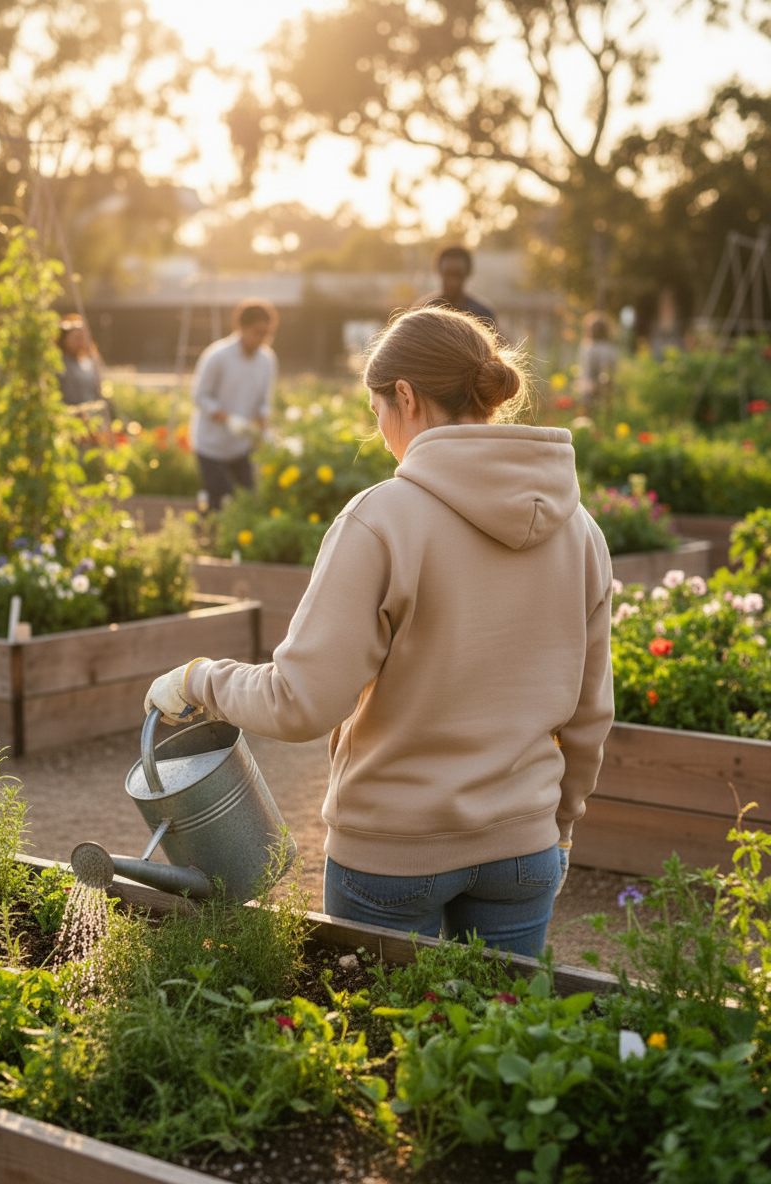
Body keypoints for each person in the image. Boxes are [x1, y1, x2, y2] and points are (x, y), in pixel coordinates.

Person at [146, 307, 614, 958]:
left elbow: (299, 702)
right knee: (504, 1024)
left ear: (406, 397)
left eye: (378, 413)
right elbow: (591, 713)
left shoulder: (382, 519)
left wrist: (199, 680)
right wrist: (558, 828)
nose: (384, 435)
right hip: (523, 850)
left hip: (392, 853)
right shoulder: (581, 531)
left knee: (382, 1025)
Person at [190, 299, 278, 510]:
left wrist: (266, 432)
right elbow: (200, 396)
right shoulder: (217, 356)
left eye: (267, 333)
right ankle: (206, 520)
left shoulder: (267, 360)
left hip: (240, 446)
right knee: (219, 500)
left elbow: (262, 403)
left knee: (249, 499)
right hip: (211, 445)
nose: (262, 338)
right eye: (257, 332)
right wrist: (228, 419)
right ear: (241, 328)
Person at [415, 244, 498, 331]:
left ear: (467, 273)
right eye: (448, 274)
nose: (453, 282)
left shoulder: (483, 314)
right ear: (439, 271)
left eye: (458, 275)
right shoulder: (424, 311)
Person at [577, 311, 620, 417]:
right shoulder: (610, 348)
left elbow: (584, 369)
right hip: (605, 386)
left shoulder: (586, 346)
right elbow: (613, 368)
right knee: (605, 411)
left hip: (589, 386)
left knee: (588, 412)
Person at [57, 315, 103, 406]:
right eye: (76, 337)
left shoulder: (88, 362)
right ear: (64, 338)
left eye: (82, 337)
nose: (80, 341)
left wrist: (93, 355)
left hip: (89, 410)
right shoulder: (59, 363)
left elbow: (98, 386)